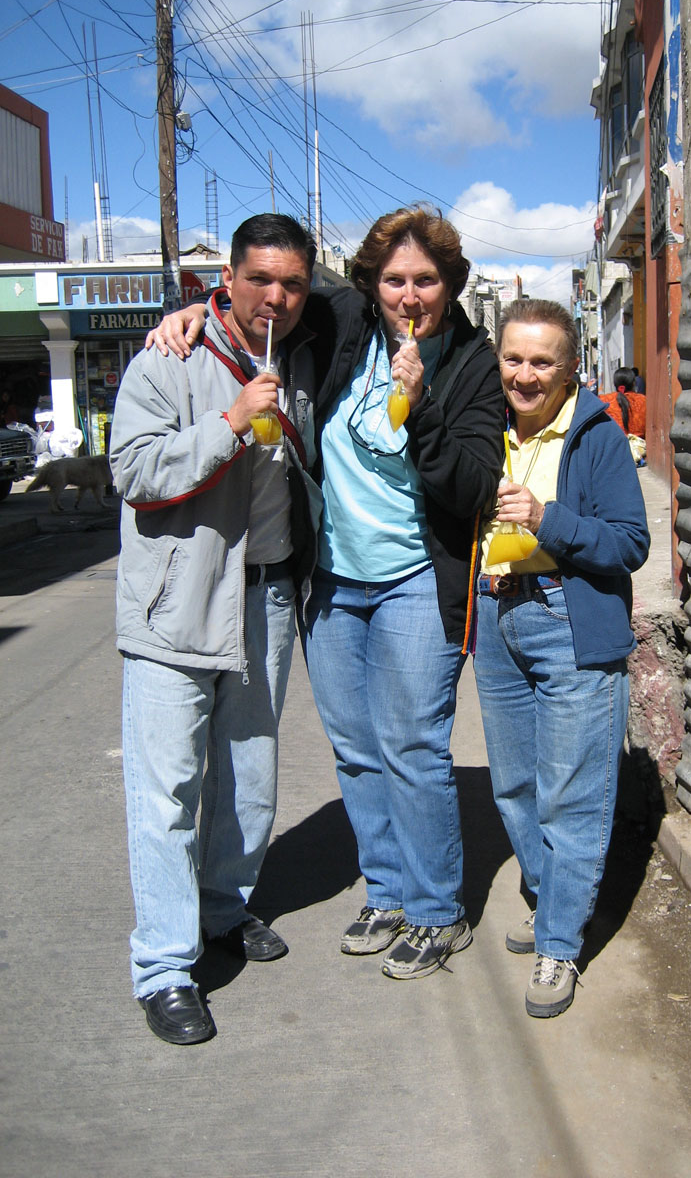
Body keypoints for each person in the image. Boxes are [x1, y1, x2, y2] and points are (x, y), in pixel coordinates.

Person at [148, 206, 505, 981]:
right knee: (356, 748)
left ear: (450, 285)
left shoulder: (472, 361)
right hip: (333, 581)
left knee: (412, 745)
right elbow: (262, 300)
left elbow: (473, 485)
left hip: (416, 580)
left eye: (426, 280)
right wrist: (195, 312)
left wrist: (424, 405)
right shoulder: (344, 322)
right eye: (394, 279)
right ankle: (387, 891)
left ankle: (437, 909)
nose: (409, 295)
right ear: (371, 284)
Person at [111, 213, 322, 1045]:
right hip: (176, 604)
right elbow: (133, 472)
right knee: (168, 791)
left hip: (264, 600)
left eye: (293, 284)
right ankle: (166, 968)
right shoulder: (169, 358)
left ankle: (223, 909)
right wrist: (229, 422)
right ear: (226, 279)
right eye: (259, 279)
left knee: (249, 777)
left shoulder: (300, 351)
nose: (276, 297)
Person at [474, 300, 649, 1018]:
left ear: (571, 366)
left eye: (542, 361)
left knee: (572, 794)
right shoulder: (485, 424)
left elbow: (630, 542)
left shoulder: (597, 434)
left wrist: (547, 518)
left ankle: (559, 944)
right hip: (497, 613)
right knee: (516, 785)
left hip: (566, 616)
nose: (525, 374)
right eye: (513, 358)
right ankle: (552, 903)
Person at [600, 365, 647, 438]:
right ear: (633, 383)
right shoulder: (644, 400)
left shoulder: (604, 401)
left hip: (614, 443)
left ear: (615, 384)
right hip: (640, 444)